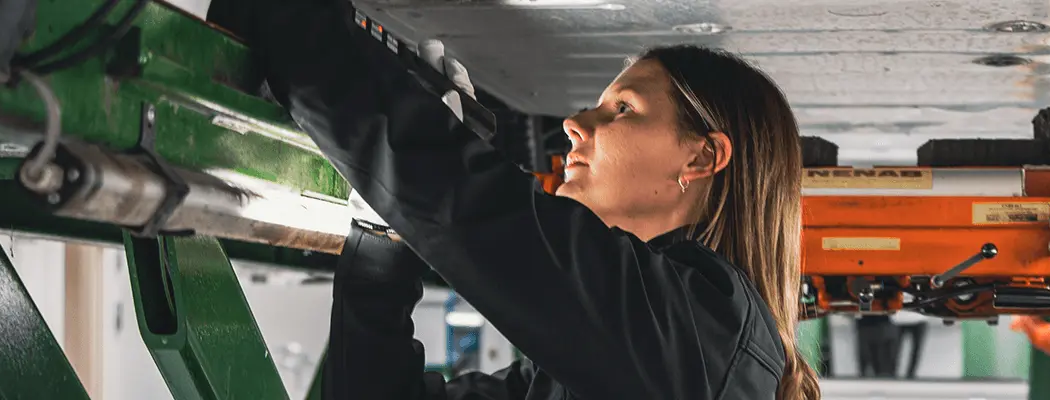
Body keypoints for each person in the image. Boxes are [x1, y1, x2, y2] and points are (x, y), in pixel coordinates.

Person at [221, 0, 821, 398]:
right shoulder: (630, 355)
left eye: (623, 110)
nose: (575, 124)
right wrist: (384, 241)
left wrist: (286, 19)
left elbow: (475, 215)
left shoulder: (705, 338)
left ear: (700, 157)